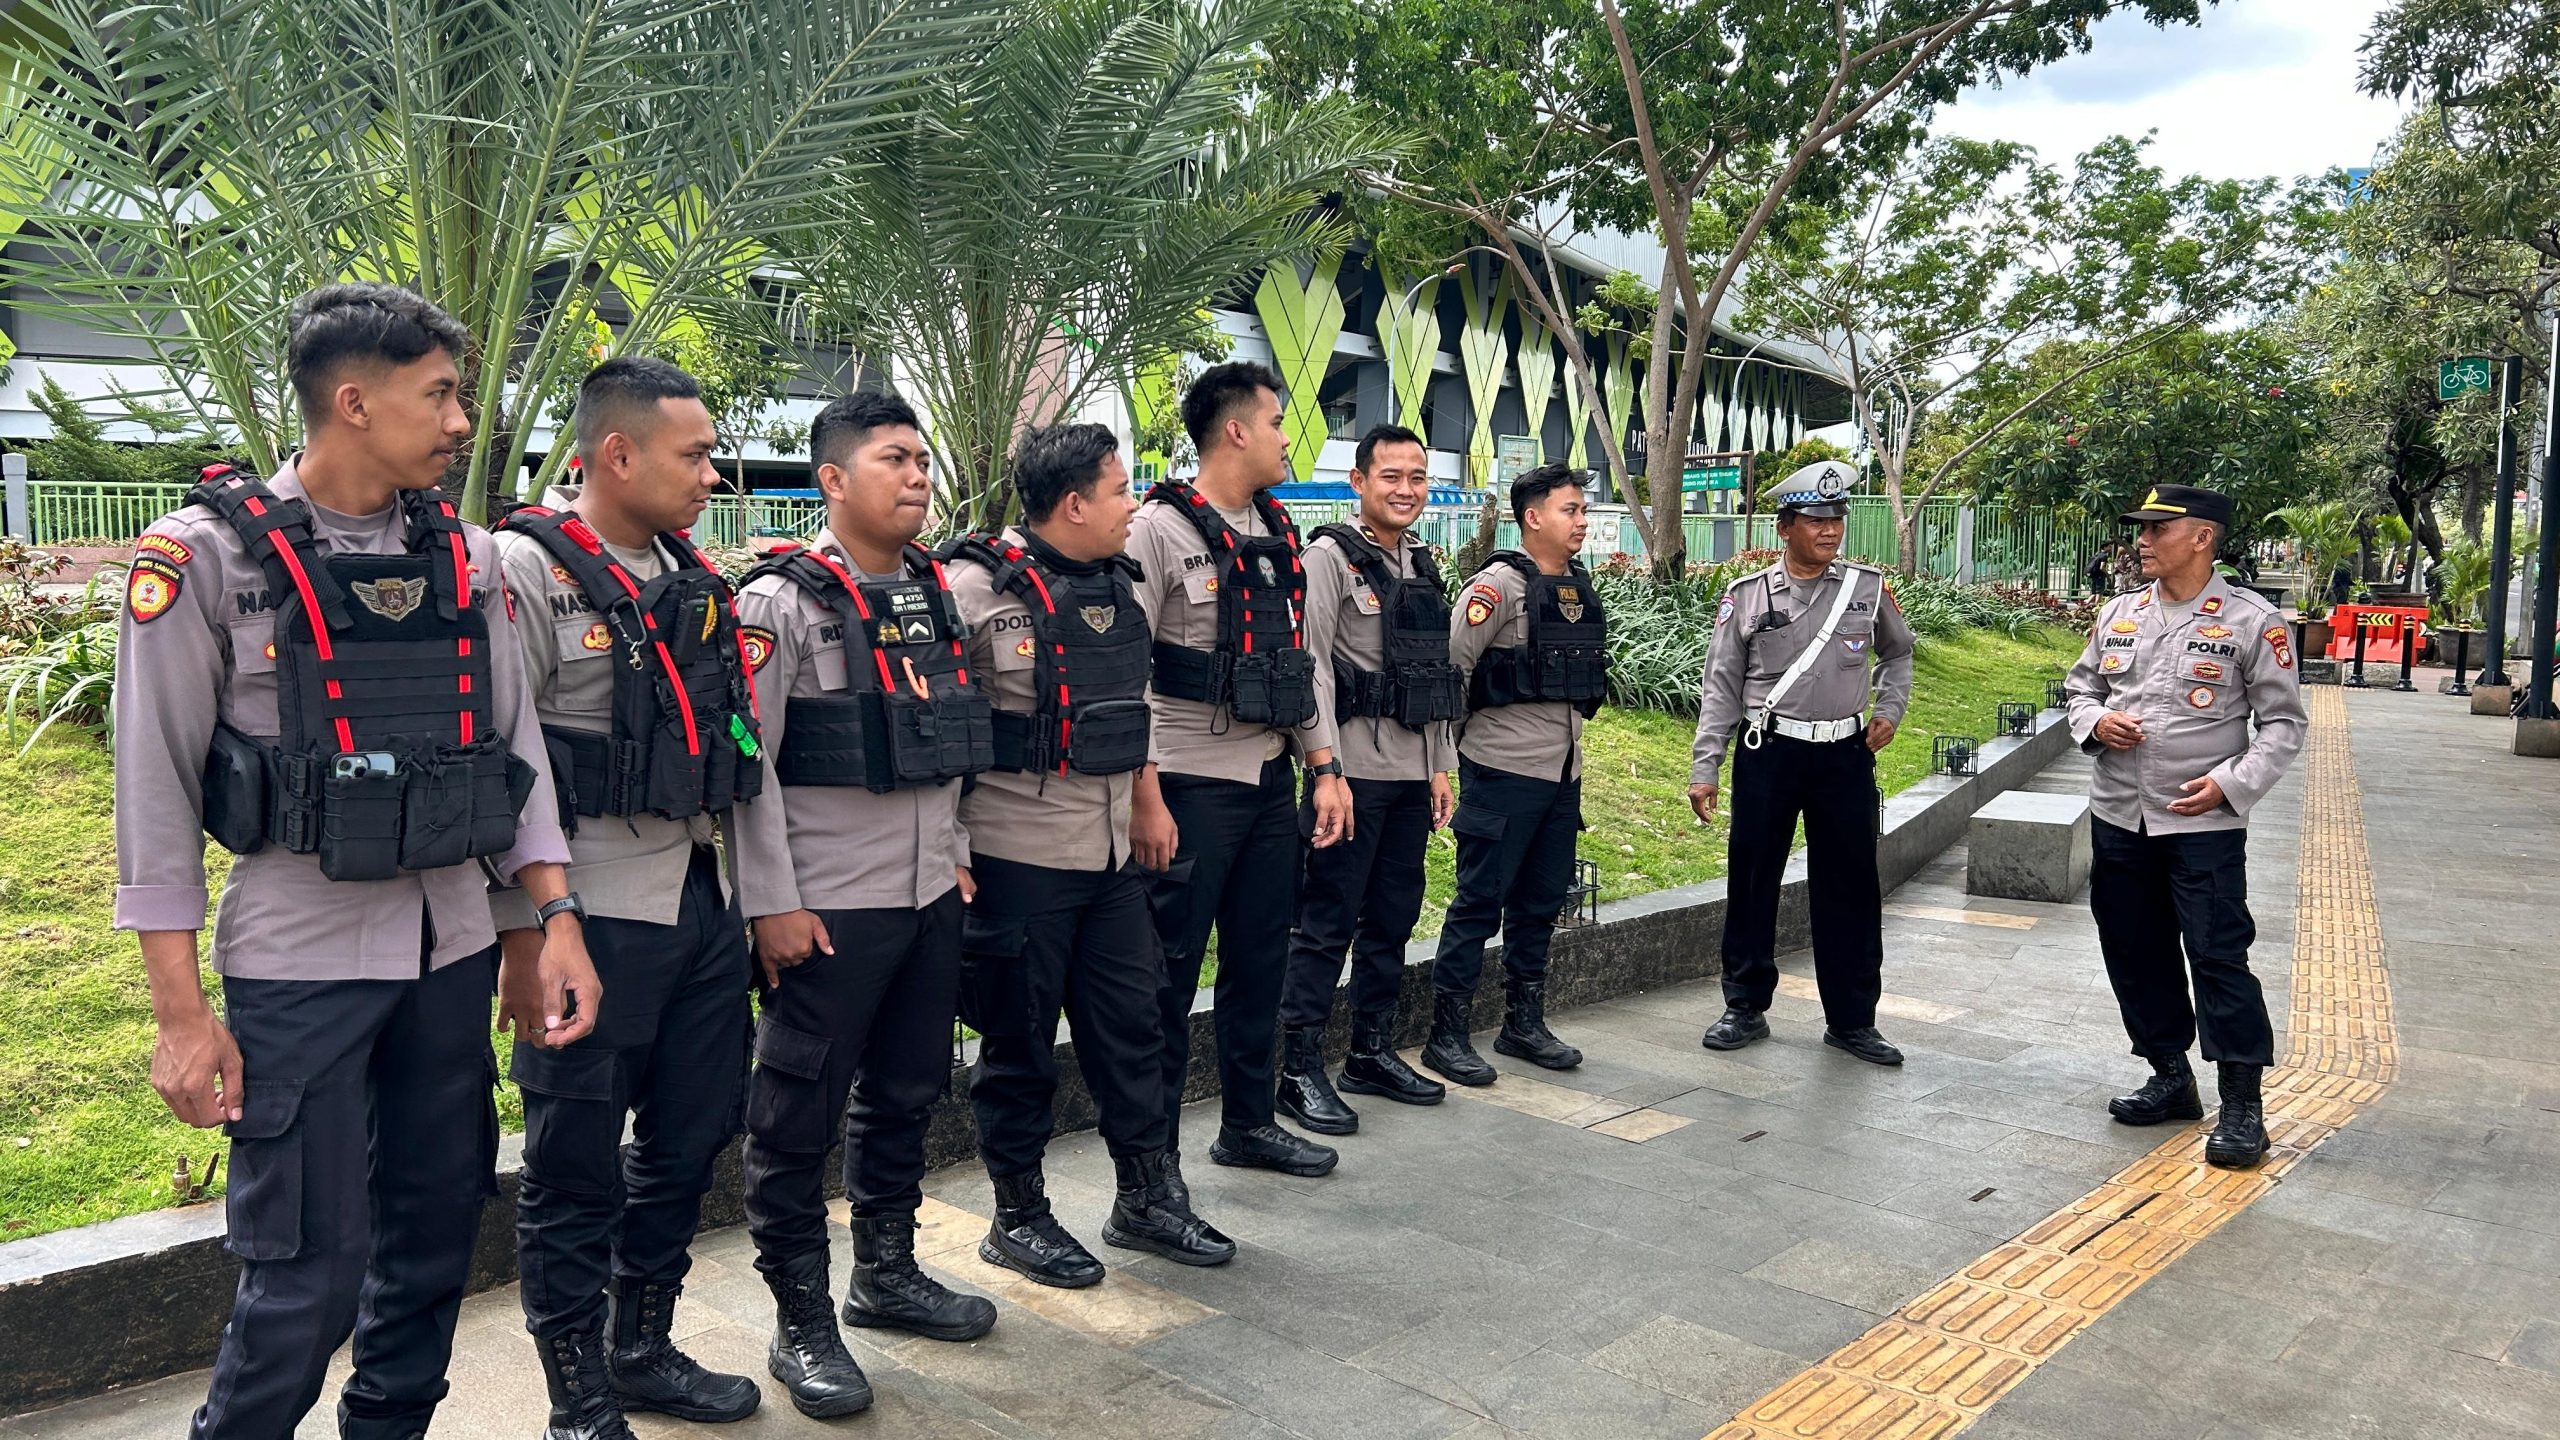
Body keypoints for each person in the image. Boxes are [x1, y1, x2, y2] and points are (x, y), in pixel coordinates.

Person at [113, 282, 594, 1440]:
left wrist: (547, 925)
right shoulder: (204, 560)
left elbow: (506, 750)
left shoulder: (468, 558)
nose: (461, 422)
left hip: (453, 954)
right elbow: (155, 797)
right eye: (438, 395)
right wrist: (182, 1017)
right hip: (300, 959)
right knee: (306, 1275)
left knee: (431, 1245)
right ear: (353, 401)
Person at [489, 357, 763, 1439]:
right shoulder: (521, 569)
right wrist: (527, 930)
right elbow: (502, 765)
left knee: (694, 1136)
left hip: (696, 899)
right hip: (587, 916)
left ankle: (640, 1346)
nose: (710, 476)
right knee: (572, 1165)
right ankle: (577, 1399)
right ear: (618, 453)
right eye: (694, 456)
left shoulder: (691, 572)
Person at [730, 391, 997, 1419]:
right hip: (826, 909)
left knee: (906, 1091)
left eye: (922, 458)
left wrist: (959, 853)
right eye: (893, 459)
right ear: (832, 480)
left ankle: (885, 1272)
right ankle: (801, 1321)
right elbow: (748, 767)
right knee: (794, 1115)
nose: (918, 476)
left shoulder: (936, 590)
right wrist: (771, 905)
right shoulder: (777, 603)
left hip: (929, 894)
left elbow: (948, 740)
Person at [939, 422, 1237, 1286]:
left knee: (1135, 1031)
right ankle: (1019, 1216)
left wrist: (1147, 798)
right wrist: (948, 850)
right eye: (1118, 490)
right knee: (1020, 1046)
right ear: (1073, 503)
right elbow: (942, 736)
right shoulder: (969, 590)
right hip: (1015, 859)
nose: (1132, 503)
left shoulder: (1121, 583)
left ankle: (1145, 1199)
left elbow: (1131, 700)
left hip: (1111, 857)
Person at [1125, 360, 1351, 1181]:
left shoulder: (1279, 532)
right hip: (1186, 787)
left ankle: (1249, 1124)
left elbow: (1302, 664)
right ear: (1236, 430)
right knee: (1165, 979)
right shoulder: (1156, 530)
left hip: (1267, 781)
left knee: (1261, 962)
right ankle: (1151, 1172)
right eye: (1279, 421)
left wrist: (1324, 766)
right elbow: (1125, 669)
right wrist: (1143, 791)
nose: (1289, 438)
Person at [2064, 484, 2306, 1168]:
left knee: (2218, 956)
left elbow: (2283, 725)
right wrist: (2095, 722)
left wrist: (2231, 785)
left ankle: (2242, 1108)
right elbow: (2081, 689)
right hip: (2118, 814)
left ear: (2201, 539)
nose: (2141, 541)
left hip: (2202, 827)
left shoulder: (2253, 622)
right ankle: (2170, 1076)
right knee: (2134, 951)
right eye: (2139, 531)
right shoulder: (2119, 613)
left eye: (2156, 531)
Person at [1689, 461, 1914, 1066]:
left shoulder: (1866, 589)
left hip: (1845, 754)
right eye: (1817, 519)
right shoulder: (1747, 597)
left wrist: (1889, 709)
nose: (1831, 530)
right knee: (1755, 876)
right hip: (1770, 751)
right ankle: (1743, 1005)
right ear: (1785, 527)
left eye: (1837, 518)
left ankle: (1852, 1019)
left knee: (1851, 885)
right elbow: (1722, 687)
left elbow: (1900, 653)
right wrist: (1705, 766)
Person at [1273, 424, 1460, 1133]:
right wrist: (1325, 769)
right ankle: (1297, 1069)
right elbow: (1312, 665)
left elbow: (1433, 674)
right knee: (1324, 923)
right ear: (1359, 482)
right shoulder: (1327, 559)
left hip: (1411, 776)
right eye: (1391, 476)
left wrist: (1440, 764)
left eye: (1417, 476)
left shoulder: (1423, 564)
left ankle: (1371, 1051)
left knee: (1391, 918)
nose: (1407, 490)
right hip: (1351, 777)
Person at [1421, 462, 1604, 1086]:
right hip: (1500, 771)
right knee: (1479, 902)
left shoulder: (1576, 584)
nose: (1581, 521)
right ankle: (1445, 1034)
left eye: (1582, 510)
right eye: (1569, 510)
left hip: (1561, 775)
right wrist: (1453, 758)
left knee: (1540, 903)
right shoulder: (1496, 587)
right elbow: (1452, 672)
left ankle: (1522, 1023)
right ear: (1532, 517)